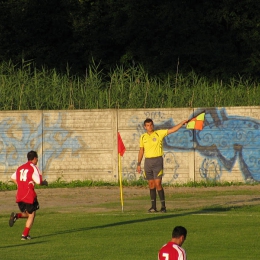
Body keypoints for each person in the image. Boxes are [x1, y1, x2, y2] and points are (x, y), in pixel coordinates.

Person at [136, 118, 188, 213]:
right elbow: (141, 151)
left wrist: (181, 123)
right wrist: (138, 164)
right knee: (151, 184)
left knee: (158, 184)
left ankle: (163, 207)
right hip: (147, 162)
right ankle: (153, 207)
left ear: (153, 125)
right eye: (147, 125)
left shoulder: (159, 133)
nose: (150, 127)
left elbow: (172, 130)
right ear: (145, 127)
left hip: (157, 161)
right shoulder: (143, 137)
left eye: (151, 125)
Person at [9, 150, 48, 240]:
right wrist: (44, 182)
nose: (37, 160)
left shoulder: (21, 167)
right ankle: (25, 235)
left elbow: (12, 177)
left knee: (28, 214)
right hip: (29, 195)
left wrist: (19, 185)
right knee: (32, 215)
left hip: (19, 195)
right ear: (34, 158)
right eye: (37, 159)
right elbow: (38, 182)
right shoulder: (33, 168)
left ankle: (16, 216)